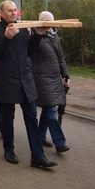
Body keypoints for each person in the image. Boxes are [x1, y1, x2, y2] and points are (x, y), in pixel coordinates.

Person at [0, 0, 57, 169]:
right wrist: (6, 38)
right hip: (7, 82)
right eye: (9, 10)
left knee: (31, 118)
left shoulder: (23, 28)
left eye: (15, 10)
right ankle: (9, 150)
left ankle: (38, 156)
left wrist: (38, 34)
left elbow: (30, 51)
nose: (13, 13)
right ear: (1, 13)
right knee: (7, 119)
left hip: (26, 81)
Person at [30, 11, 70, 153]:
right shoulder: (34, 36)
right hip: (41, 78)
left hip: (54, 79)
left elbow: (60, 57)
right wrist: (38, 34)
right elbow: (29, 51)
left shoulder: (55, 37)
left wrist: (65, 73)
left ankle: (40, 135)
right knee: (51, 110)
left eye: (50, 22)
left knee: (48, 110)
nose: (48, 26)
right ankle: (60, 142)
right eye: (45, 22)